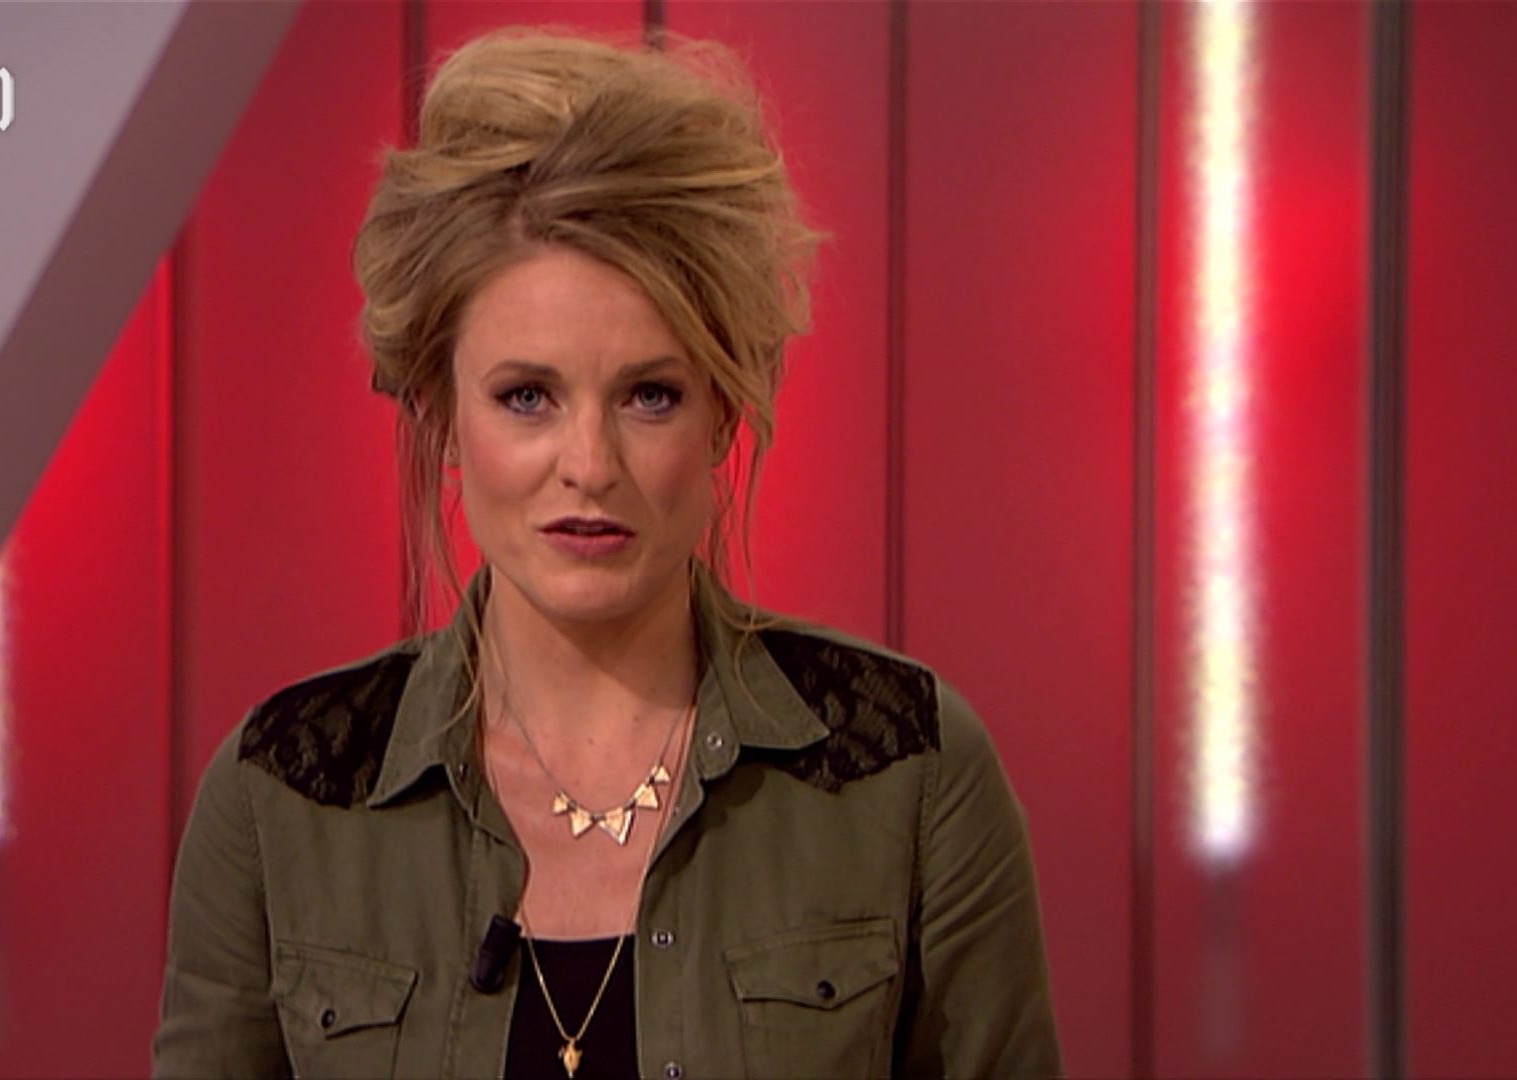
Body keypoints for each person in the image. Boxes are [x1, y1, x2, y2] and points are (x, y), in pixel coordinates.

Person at [152, 26, 1060, 1080]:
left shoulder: (907, 772)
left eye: (650, 396)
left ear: (723, 416)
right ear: (443, 416)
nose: (589, 465)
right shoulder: (283, 798)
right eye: (526, 397)